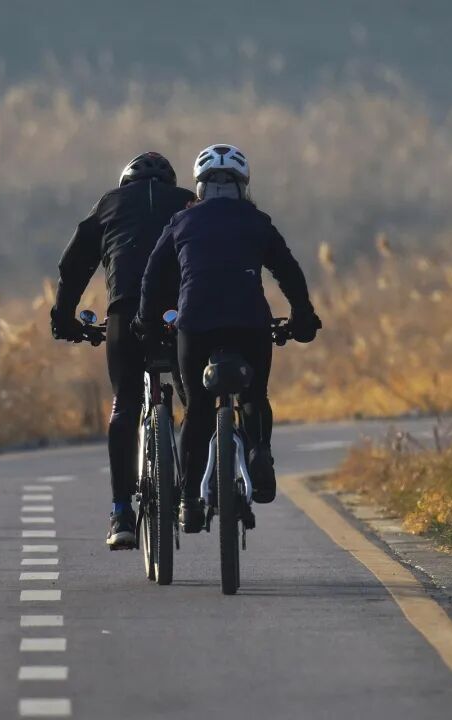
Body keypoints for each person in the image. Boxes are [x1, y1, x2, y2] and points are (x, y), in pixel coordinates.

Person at [135, 144, 321, 533]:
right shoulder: (258, 222)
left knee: (199, 411)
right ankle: (259, 453)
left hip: (195, 324)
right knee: (254, 396)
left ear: (199, 188)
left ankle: (188, 500)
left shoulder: (180, 223)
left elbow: (153, 276)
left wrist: (147, 321)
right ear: (242, 186)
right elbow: (289, 272)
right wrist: (303, 318)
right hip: (249, 324)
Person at [50, 152, 195, 549]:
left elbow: (73, 266)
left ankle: (120, 513)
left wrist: (63, 319)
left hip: (126, 310)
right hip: (182, 312)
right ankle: (194, 495)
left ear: (124, 182)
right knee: (194, 401)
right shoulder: (188, 201)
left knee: (126, 403)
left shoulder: (108, 204)